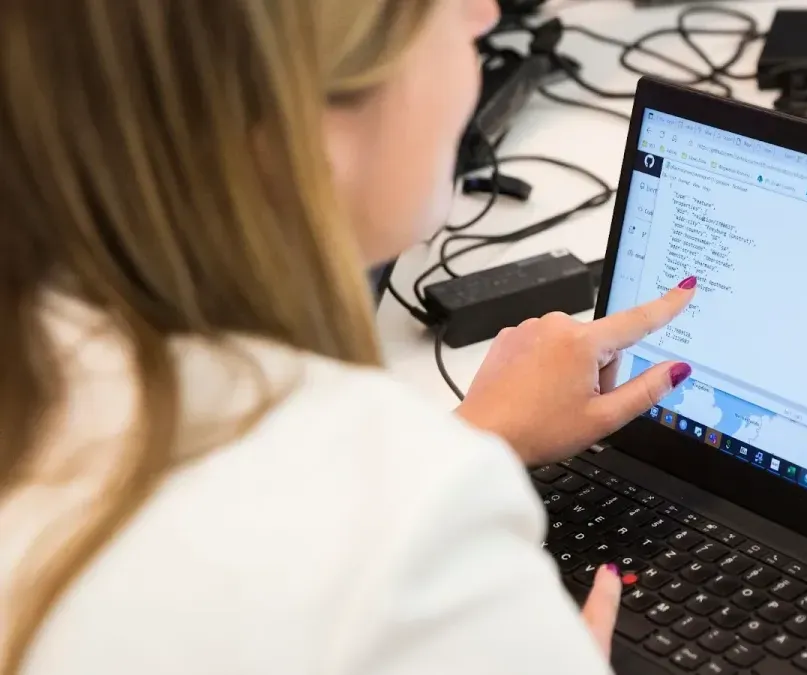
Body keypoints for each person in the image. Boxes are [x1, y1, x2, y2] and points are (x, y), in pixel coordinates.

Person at [0, 1, 697, 673]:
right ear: (309, 122)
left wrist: (481, 435)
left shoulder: (44, 363)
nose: (484, 12)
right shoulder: (409, 548)